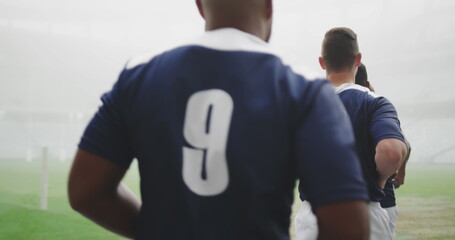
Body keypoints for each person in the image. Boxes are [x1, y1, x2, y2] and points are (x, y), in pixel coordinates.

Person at [67, 1, 370, 239]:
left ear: (200, 5)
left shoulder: (139, 74)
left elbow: (86, 191)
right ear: (268, 5)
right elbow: (348, 229)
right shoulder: (304, 88)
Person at [295, 27, 408, 240]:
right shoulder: (376, 103)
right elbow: (391, 152)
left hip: (313, 219)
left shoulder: (301, 104)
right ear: (358, 59)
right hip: (366, 216)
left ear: (322, 62)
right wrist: (381, 180)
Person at [355, 63, 412, 238]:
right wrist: (400, 173)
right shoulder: (377, 109)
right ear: (366, 84)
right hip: (381, 198)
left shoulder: (333, 106)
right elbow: (405, 146)